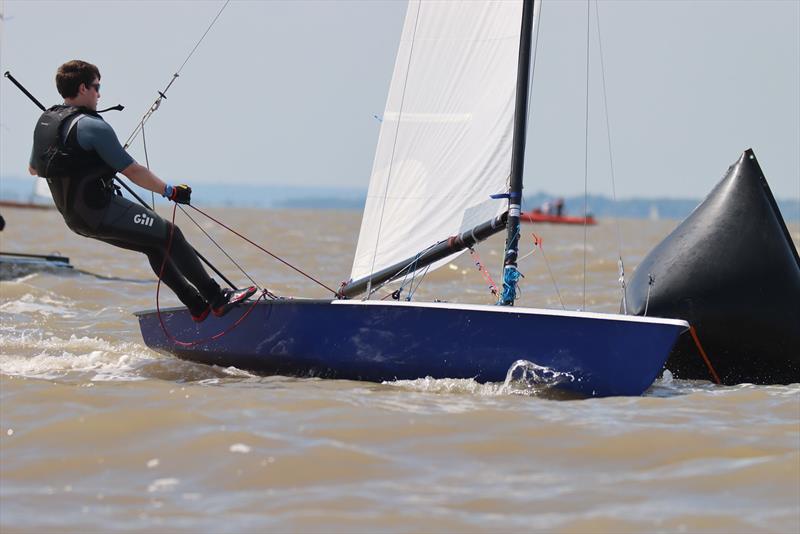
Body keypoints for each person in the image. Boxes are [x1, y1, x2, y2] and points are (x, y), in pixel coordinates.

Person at [28, 60, 255, 322]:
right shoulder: (93, 127)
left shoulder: (45, 123)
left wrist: (86, 164)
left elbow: (34, 169)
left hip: (76, 220)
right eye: (96, 87)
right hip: (99, 210)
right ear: (82, 88)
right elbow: (133, 171)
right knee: (171, 235)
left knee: (155, 245)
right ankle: (217, 299)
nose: (99, 94)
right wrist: (170, 191)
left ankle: (196, 305)